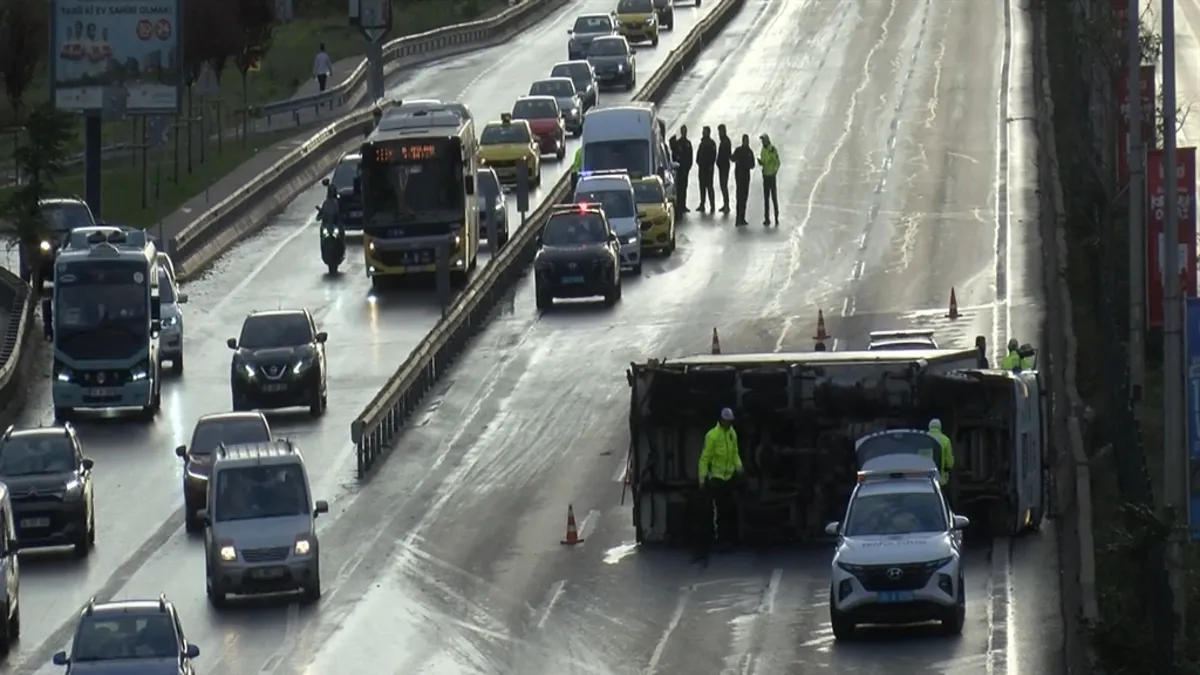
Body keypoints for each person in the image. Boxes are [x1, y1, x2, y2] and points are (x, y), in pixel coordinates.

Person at [697, 407, 744, 554]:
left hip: (729, 477)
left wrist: (739, 468)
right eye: (727, 421)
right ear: (721, 420)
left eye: (730, 421)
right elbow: (705, 458)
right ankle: (720, 539)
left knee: (729, 509)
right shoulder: (712, 435)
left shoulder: (732, 434)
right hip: (717, 478)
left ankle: (728, 538)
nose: (729, 423)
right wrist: (702, 478)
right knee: (720, 510)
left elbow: (735, 453)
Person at [731, 135, 755, 226]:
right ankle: (738, 218)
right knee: (739, 197)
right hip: (739, 177)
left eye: (747, 140)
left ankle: (742, 217)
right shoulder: (739, 150)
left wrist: (746, 164)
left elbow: (752, 165)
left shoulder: (749, 152)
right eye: (745, 140)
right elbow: (733, 158)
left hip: (746, 177)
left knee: (744, 198)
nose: (746, 142)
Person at [758, 134, 780, 226]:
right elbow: (764, 161)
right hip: (765, 176)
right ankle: (766, 218)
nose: (762, 142)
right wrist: (761, 163)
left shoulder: (772, 149)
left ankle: (776, 217)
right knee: (766, 199)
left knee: (774, 198)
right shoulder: (763, 149)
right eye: (762, 140)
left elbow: (777, 162)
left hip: (771, 176)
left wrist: (775, 171)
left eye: (763, 140)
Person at [926, 418, 955, 487]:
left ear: (929, 426)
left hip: (925, 478)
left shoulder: (924, 438)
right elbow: (949, 463)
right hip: (940, 479)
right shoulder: (945, 440)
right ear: (940, 427)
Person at [696, 126, 717, 213]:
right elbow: (699, 153)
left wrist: (710, 165)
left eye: (704, 131)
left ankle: (712, 205)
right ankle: (702, 204)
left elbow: (713, 156)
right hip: (702, 168)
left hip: (708, 169)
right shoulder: (702, 143)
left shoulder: (711, 143)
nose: (703, 132)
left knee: (709, 187)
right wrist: (698, 161)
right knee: (702, 187)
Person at [673, 125, 694, 213]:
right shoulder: (677, 143)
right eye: (683, 131)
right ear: (681, 132)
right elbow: (674, 156)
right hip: (679, 169)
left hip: (685, 169)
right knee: (679, 188)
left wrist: (688, 167)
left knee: (684, 187)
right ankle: (679, 205)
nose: (684, 133)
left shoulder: (688, 143)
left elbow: (691, 156)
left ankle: (683, 205)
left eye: (685, 131)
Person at [716, 125, 732, 214]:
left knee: (724, 185)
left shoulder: (725, 141)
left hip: (724, 166)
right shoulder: (723, 140)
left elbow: (726, 154)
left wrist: (720, 161)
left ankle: (727, 204)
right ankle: (725, 204)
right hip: (722, 166)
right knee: (723, 185)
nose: (719, 133)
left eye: (720, 131)